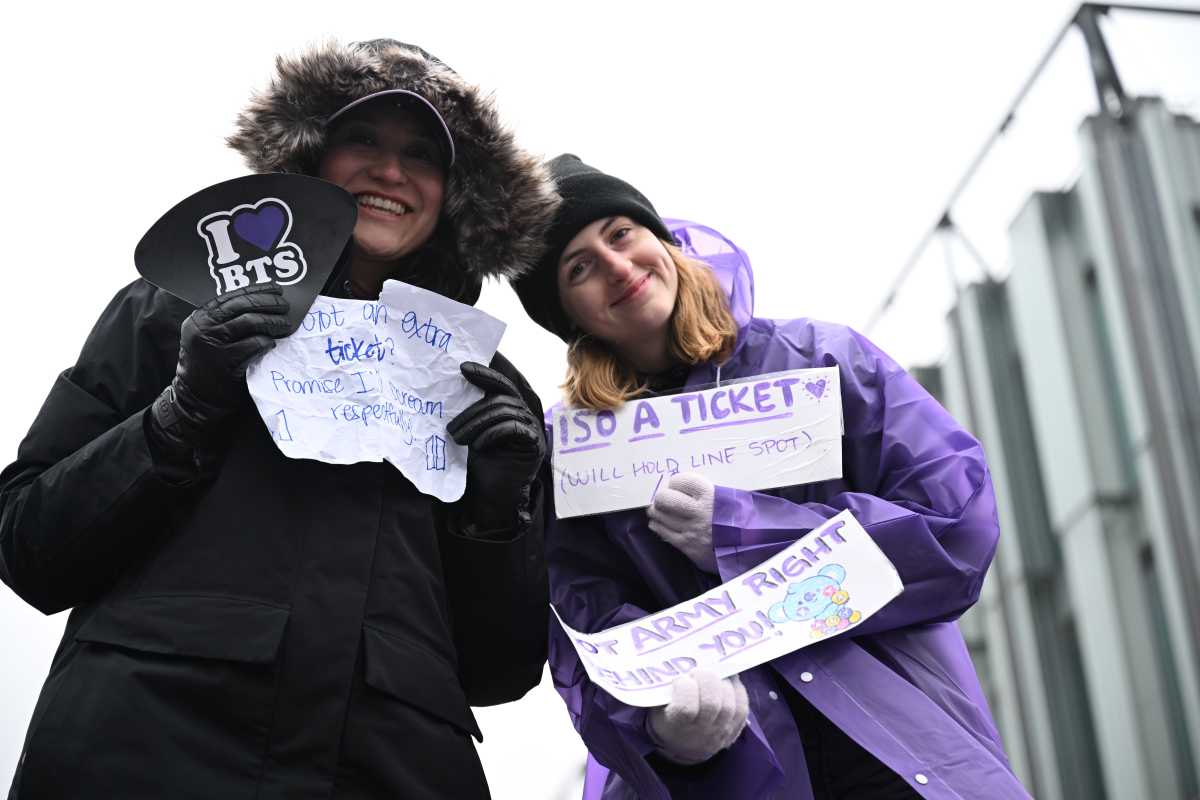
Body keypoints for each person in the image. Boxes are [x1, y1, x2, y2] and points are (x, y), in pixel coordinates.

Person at [0, 39, 559, 800]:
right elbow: (28, 545)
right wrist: (180, 414)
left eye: (423, 154)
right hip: (146, 746)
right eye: (362, 138)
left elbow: (500, 672)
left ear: (459, 193)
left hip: (392, 769)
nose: (390, 172)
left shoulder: (490, 392)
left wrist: (496, 516)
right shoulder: (177, 307)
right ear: (309, 156)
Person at [512, 155, 1030, 799]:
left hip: (902, 754)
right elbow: (583, 631)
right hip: (733, 775)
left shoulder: (822, 361)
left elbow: (956, 526)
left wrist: (742, 532)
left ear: (660, 239)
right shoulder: (573, 461)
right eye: (579, 268)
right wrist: (660, 725)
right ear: (565, 314)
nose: (616, 266)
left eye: (621, 233)